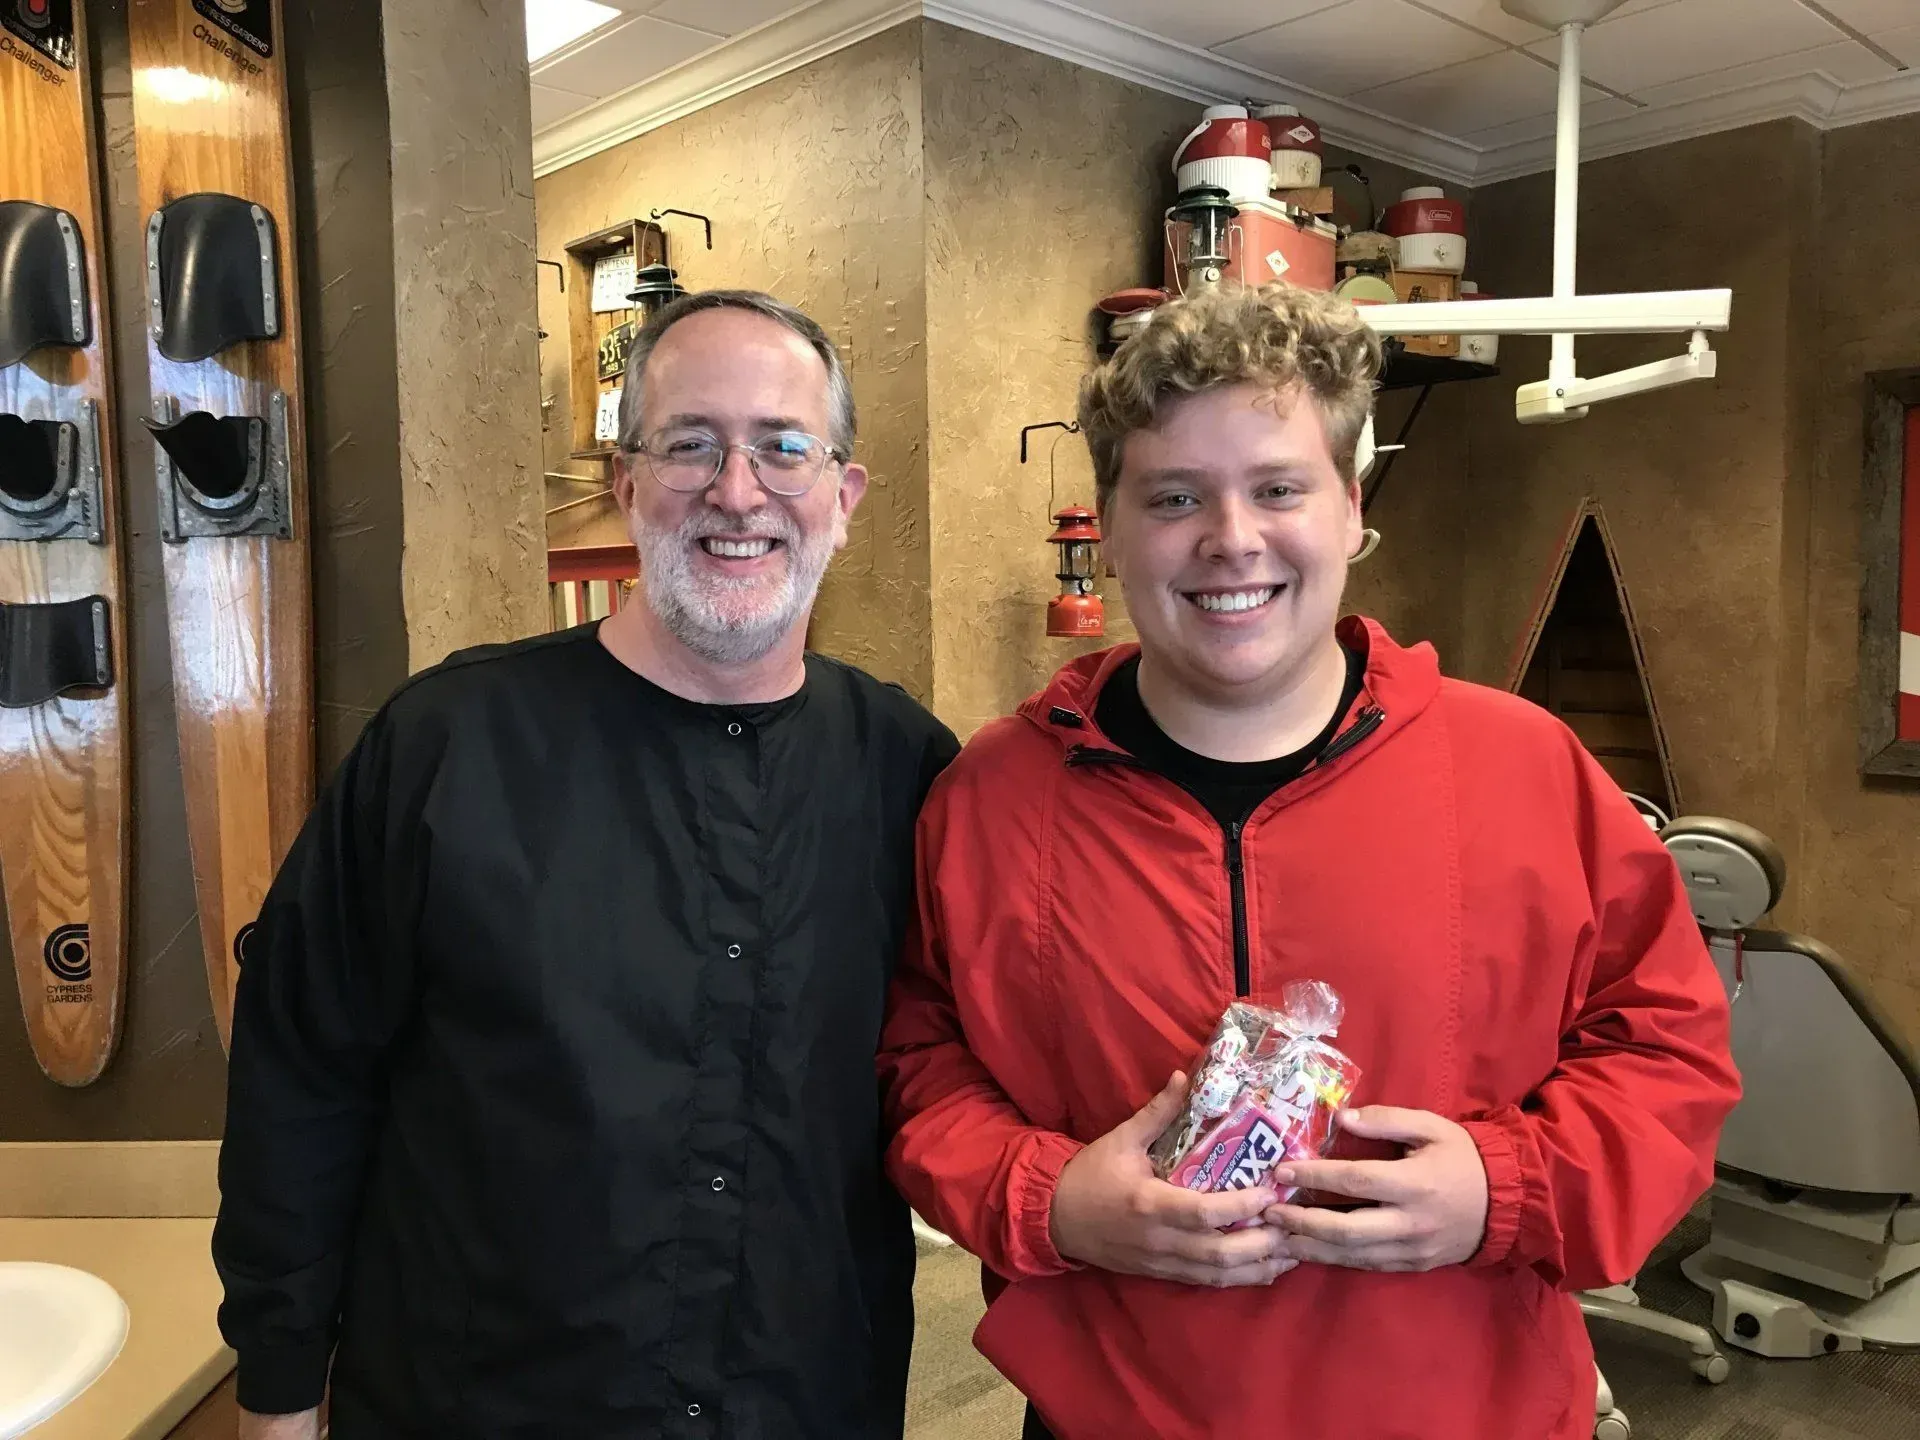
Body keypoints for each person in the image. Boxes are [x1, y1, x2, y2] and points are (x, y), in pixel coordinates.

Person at [878, 283, 1741, 1440]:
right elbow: (920, 1063)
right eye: (1175, 496)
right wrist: (1049, 1201)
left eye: (1278, 488)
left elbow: (1668, 1056)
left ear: (1349, 507)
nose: (1231, 539)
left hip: (1465, 1410)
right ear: (1114, 521)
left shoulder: (1527, 768)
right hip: (1112, 1416)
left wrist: (1508, 1188)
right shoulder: (990, 797)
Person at [216, 290, 958, 1440]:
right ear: (625, 484)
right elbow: (301, 1073)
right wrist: (276, 1395)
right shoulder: (448, 744)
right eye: (690, 444)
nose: (736, 490)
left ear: (843, 498)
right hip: (479, 1401)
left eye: (783, 448)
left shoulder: (908, 768)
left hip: (806, 1398)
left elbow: (961, 1062)